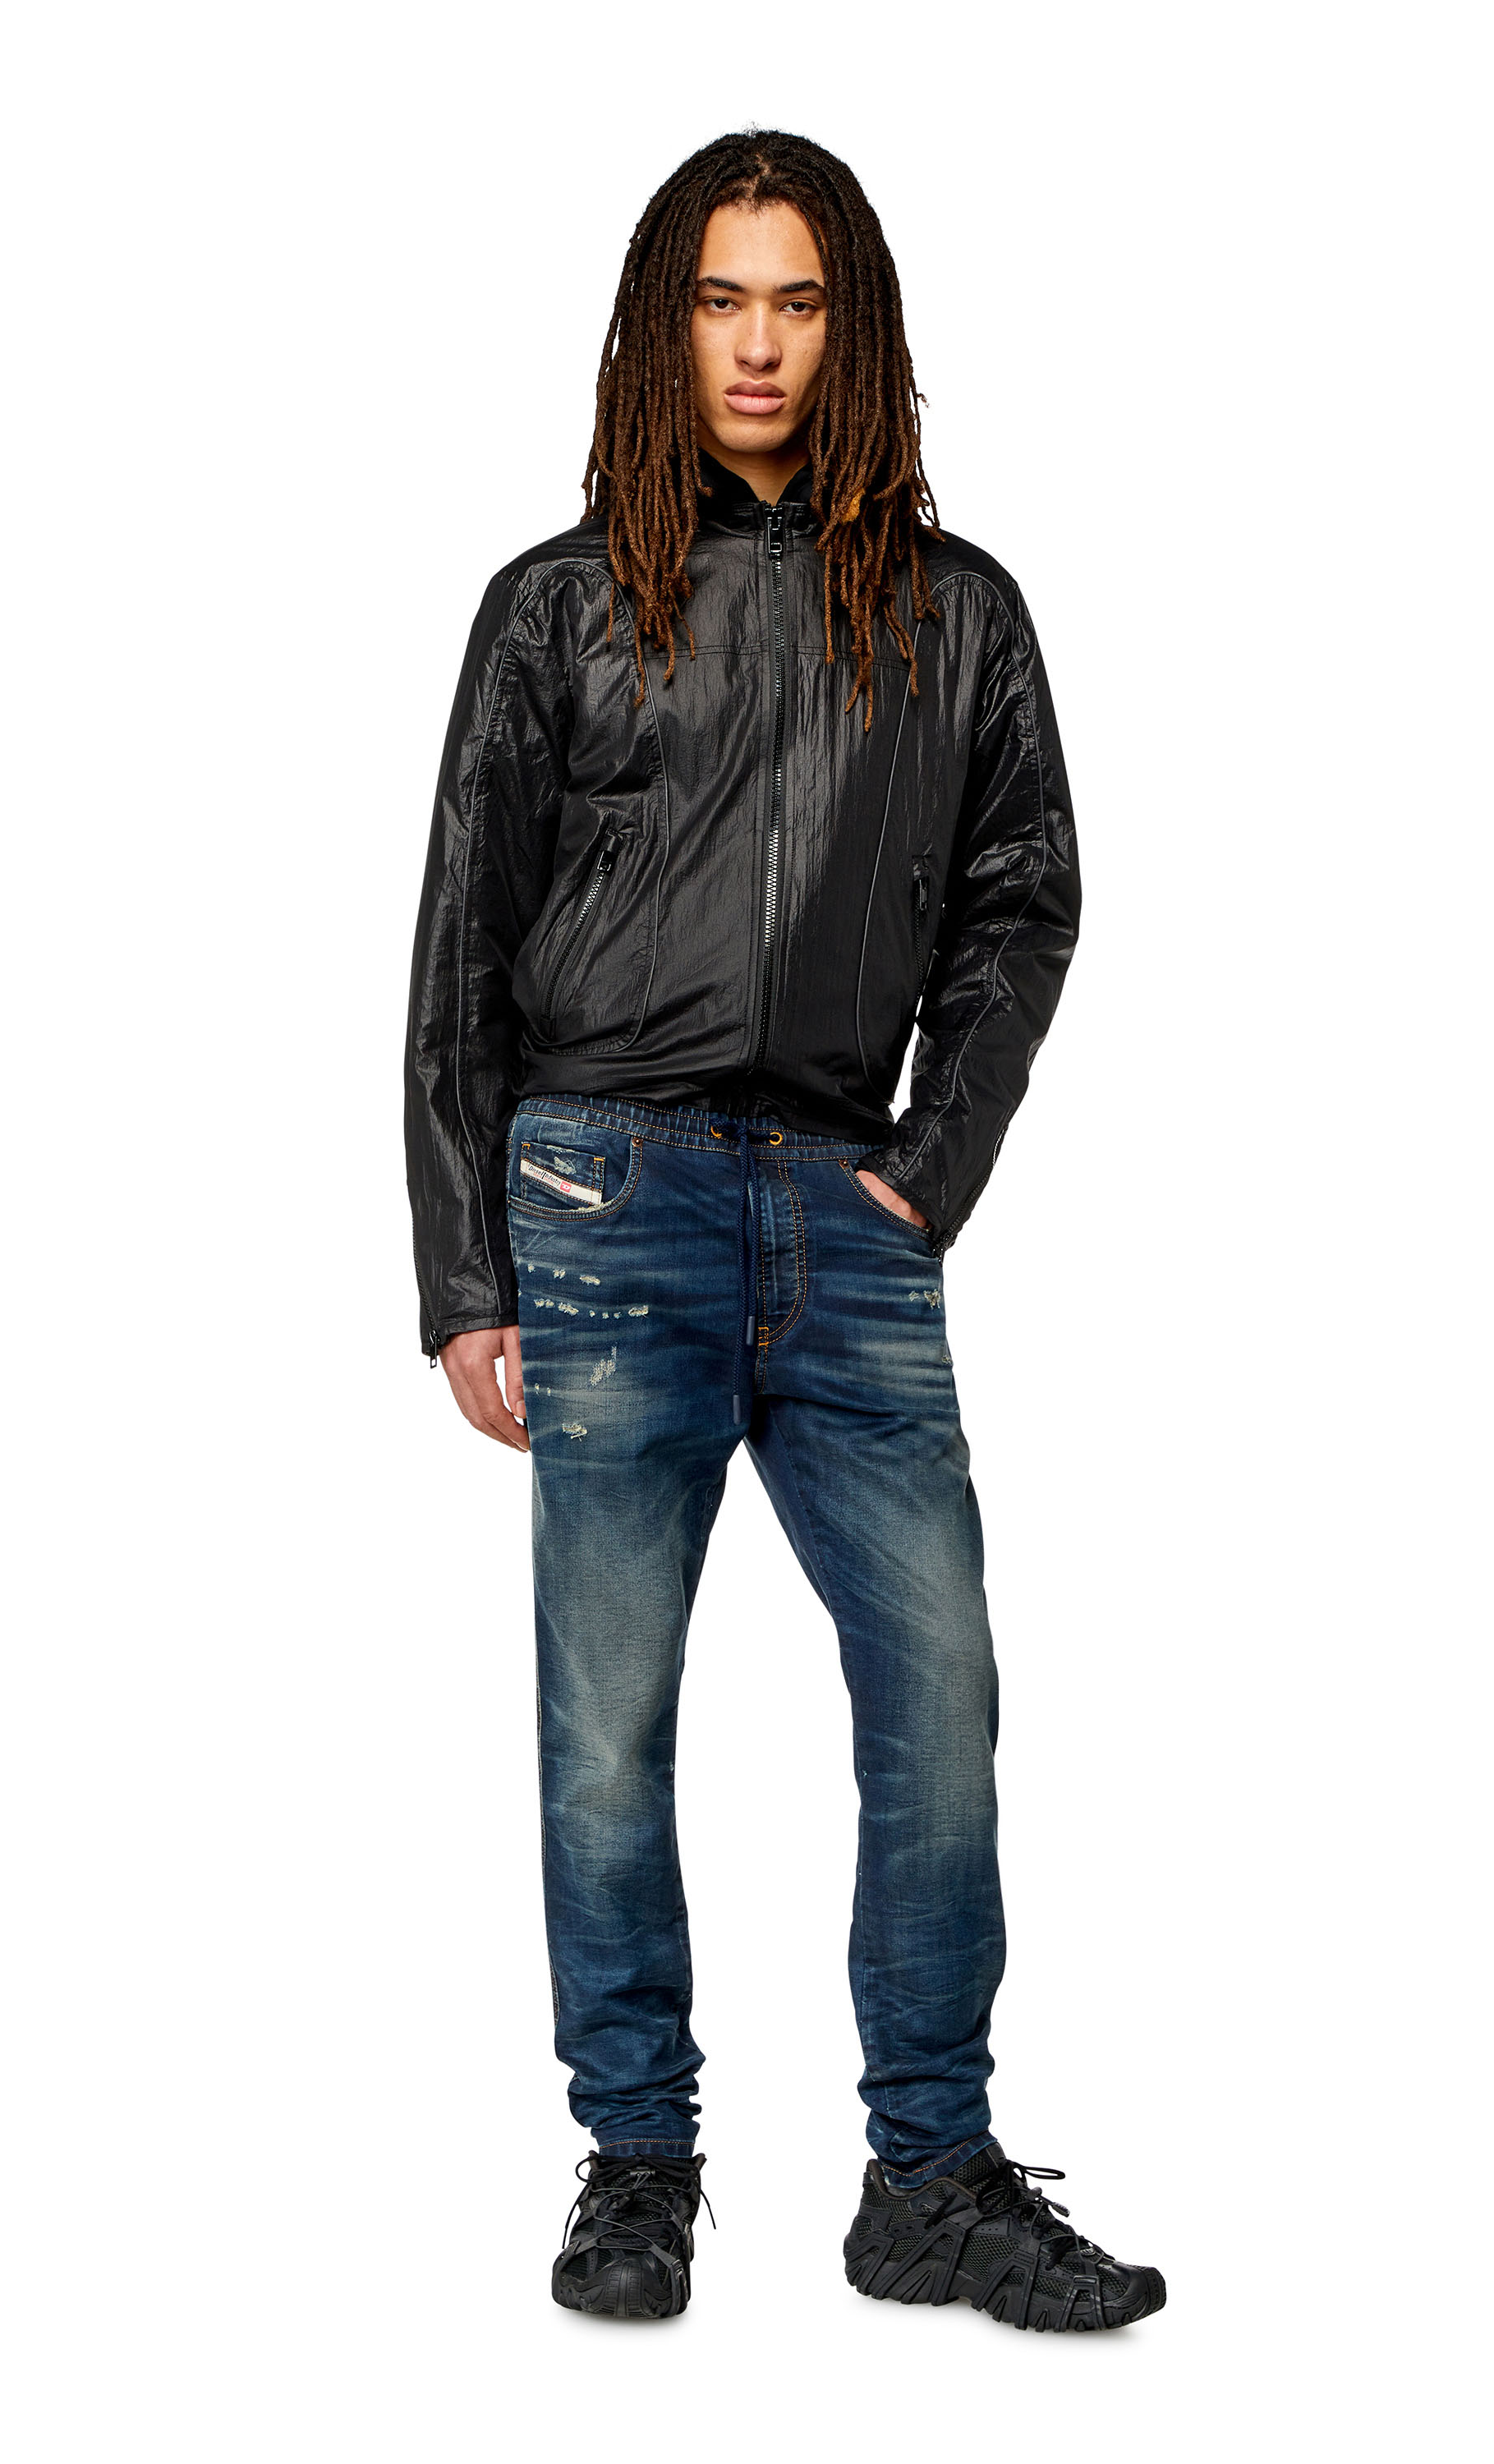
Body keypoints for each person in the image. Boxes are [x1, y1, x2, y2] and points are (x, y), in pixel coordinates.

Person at [405, 128, 1163, 2333]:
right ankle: (637, 2160)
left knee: (940, 1691)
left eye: (799, 301)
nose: (757, 344)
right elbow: (460, 945)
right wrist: (463, 1274)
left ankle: (931, 2175)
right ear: (666, 326)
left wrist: (935, 1166)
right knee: (605, 1721)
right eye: (721, 298)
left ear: (857, 331)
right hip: (602, 1198)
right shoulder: (556, 606)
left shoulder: (956, 613)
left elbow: (1024, 899)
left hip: (848, 1216)